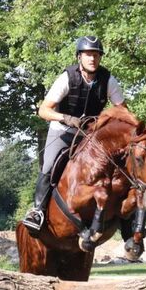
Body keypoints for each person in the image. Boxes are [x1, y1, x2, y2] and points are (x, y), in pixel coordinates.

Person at [23, 35, 126, 234]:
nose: (92, 59)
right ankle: (37, 211)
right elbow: (43, 110)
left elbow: (123, 111)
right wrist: (66, 118)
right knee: (49, 165)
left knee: (119, 167)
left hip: (90, 138)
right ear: (79, 57)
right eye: (88, 54)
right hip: (63, 132)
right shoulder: (67, 77)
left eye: (96, 55)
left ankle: (126, 217)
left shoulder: (108, 79)